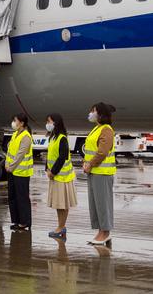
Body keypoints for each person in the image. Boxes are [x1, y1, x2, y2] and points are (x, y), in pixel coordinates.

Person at [83, 102, 115, 245]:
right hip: (94, 171)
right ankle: (101, 232)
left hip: (102, 172)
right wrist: (85, 162)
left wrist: (90, 165)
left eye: (94, 111)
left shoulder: (106, 130)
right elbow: (89, 149)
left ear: (101, 115)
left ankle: (106, 232)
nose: (91, 113)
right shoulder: (96, 129)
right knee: (95, 204)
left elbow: (102, 152)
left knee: (103, 204)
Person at [45, 113, 77, 237]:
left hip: (62, 176)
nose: (47, 124)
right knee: (59, 204)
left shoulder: (62, 138)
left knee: (62, 204)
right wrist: (47, 169)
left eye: (49, 121)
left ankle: (61, 226)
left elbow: (61, 157)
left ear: (55, 123)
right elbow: (50, 156)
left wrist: (53, 172)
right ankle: (60, 226)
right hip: (55, 175)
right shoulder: (53, 137)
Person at [5, 113, 33, 230]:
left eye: (15, 120)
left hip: (21, 172)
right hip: (12, 171)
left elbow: (20, 154)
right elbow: (10, 151)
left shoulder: (26, 136)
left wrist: (11, 167)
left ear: (21, 123)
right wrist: (7, 165)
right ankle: (16, 220)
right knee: (13, 196)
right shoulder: (15, 134)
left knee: (22, 197)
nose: (13, 122)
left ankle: (24, 221)